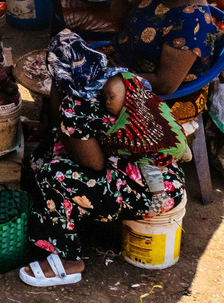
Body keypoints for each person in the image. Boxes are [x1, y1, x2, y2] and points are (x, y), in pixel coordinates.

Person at [21, 30, 187, 287]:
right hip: (155, 169)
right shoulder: (114, 79)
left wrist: (59, 93)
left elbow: (94, 164)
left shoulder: (77, 104)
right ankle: (71, 222)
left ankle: (69, 261)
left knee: (53, 175)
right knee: (49, 151)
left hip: (157, 192)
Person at [112, 0, 219, 117]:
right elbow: (122, 22)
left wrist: (112, 79)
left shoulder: (191, 22)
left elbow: (165, 85)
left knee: (75, 112)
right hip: (121, 66)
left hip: (159, 99)